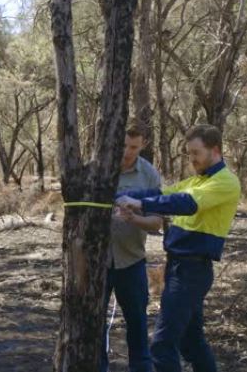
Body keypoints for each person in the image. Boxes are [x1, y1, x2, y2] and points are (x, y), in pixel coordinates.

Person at [116, 124, 241, 372]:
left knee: (162, 345)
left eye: (196, 153)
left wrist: (139, 202)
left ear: (214, 150)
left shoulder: (225, 182)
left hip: (192, 272)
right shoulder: (197, 180)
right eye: (189, 153)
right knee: (191, 343)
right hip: (178, 268)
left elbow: (186, 203)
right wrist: (121, 197)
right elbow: (162, 192)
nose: (192, 159)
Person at [101, 122, 163, 372]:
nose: (127, 152)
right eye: (123, 145)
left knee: (137, 326)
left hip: (132, 261)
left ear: (143, 145)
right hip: (97, 264)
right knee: (95, 327)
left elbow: (156, 222)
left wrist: (134, 218)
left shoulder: (148, 175)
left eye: (134, 147)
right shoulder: (100, 168)